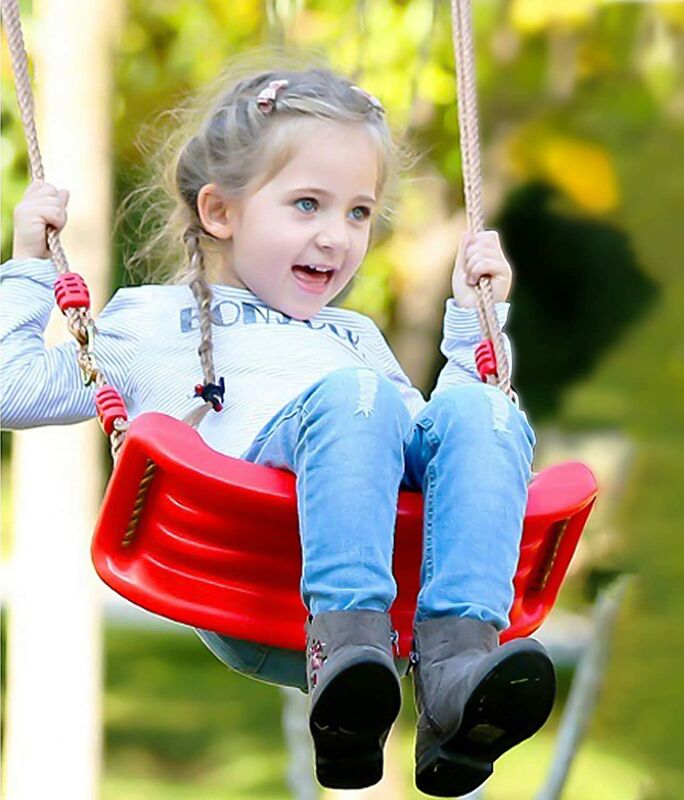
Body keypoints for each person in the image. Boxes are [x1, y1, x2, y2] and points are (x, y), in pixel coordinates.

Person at [1, 64, 555, 797]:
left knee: (482, 411)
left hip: (383, 576)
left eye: (359, 213)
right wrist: (31, 267)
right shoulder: (152, 320)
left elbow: (442, 448)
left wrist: (469, 326)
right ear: (221, 211)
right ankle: (345, 650)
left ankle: (454, 676)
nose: (336, 237)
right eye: (306, 204)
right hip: (254, 571)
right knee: (359, 398)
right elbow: (10, 387)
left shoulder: (355, 336)